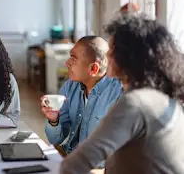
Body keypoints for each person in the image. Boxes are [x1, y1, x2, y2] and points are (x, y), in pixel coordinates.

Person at [60, 12, 184, 174]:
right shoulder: (166, 99)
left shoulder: (135, 103)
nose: (107, 55)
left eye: (111, 50)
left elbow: (73, 166)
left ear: (128, 56)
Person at [41, 36, 122, 157]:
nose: (67, 63)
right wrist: (54, 120)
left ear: (93, 69)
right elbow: (54, 140)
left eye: (73, 59)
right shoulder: (70, 86)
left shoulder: (118, 94)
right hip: (71, 156)